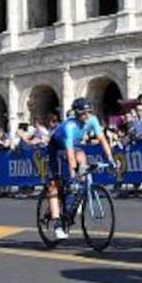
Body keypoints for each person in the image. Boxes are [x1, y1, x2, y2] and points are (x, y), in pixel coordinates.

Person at [43, 98, 116, 241]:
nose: (86, 116)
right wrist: (74, 171)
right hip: (57, 147)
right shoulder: (70, 126)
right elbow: (69, 153)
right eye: (83, 113)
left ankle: (79, 193)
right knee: (54, 186)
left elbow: (102, 139)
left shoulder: (93, 120)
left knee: (82, 158)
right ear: (76, 114)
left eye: (89, 112)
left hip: (75, 146)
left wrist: (111, 159)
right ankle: (57, 224)